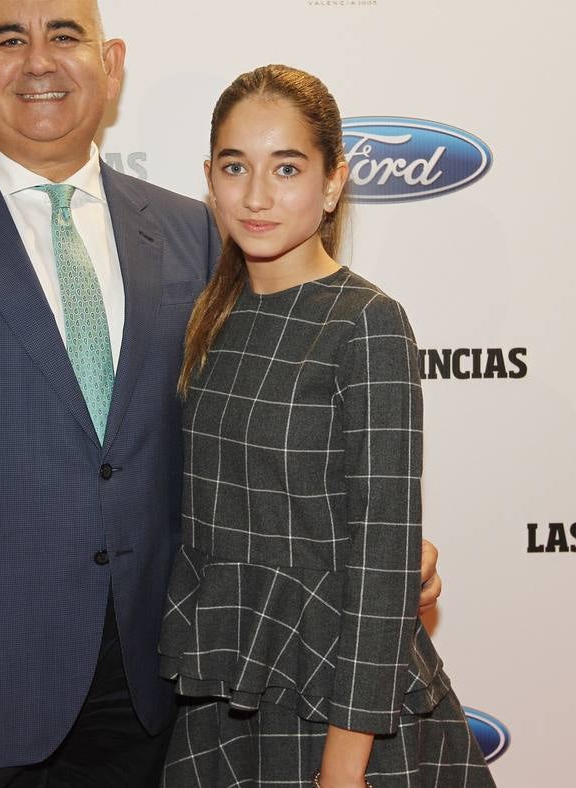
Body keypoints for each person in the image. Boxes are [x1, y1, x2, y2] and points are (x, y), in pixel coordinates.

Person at [0, 0, 442, 788]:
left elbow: (243, 431)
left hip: (172, 686)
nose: (39, 60)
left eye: (64, 35)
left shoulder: (193, 233)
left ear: (110, 64)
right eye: (10, 39)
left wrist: (382, 553)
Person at [158, 64, 493, 787]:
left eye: (285, 167)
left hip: (341, 709)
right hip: (228, 695)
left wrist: (341, 771)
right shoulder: (208, 316)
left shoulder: (364, 324)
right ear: (208, 179)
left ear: (333, 182)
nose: (255, 195)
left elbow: (381, 565)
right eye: (233, 166)